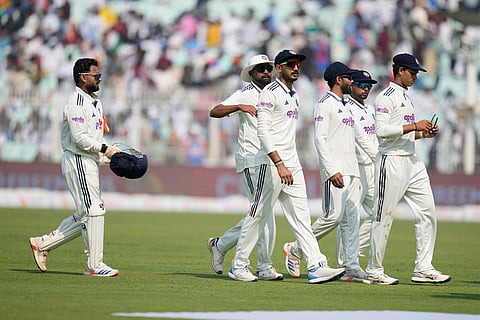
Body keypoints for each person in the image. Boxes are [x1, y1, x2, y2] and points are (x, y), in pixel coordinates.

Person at [229, 49, 345, 283]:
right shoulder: (269, 93)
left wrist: (289, 163)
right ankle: (239, 265)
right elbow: (263, 131)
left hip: (292, 163)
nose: (296, 67)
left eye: (298, 64)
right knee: (258, 213)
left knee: (301, 217)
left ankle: (316, 265)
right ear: (279, 68)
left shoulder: (294, 95)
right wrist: (279, 162)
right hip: (271, 163)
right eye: (290, 64)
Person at [282, 62, 376, 283]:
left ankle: (351, 266)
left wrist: (378, 158)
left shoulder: (345, 105)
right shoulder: (324, 103)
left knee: (351, 220)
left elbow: (360, 136)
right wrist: (332, 169)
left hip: (353, 169)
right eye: (347, 78)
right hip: (335, 170)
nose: (351, 81)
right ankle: (296, 248)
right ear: (337, 79)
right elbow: (320, 139)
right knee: (332, 217)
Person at [29, 58, 122, 277]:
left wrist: (109, 156)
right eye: (95, 75)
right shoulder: (76, 103)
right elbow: (79, 139)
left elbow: (92, 138)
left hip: (88, 160)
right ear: (83, 77)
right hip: (77, 159)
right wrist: (105, 149)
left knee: (84, 213)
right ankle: (95, 265)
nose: (99, 79)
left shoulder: (94, 102)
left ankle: (42, 244)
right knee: (94, 210)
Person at [365, 53, 451, 285]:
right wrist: (414, 125)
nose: (415, 76)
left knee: (428, 212)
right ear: (400, 70)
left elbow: (404, 133)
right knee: (383, 217)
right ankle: (374, 270)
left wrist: (423, 133)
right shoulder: (385, 97)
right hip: (391, 160)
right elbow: (381, 131)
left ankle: (423, 268)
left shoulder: (406, 97)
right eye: (412, 72)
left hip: (412, 161)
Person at [207, 54, 283, 281]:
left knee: (263, 213)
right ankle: (256, 264)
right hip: (250, 159)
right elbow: (215, 110)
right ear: (251, 73)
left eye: (268, 69)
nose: (266, 73)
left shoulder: (274, 92)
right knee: (261, 212)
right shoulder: (245, 93)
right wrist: (239, 106)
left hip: (269, 158)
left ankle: (223, 246)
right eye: (261, 69)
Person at [336, 69, 379, 265]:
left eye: (369, 85)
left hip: (370, 167)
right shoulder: (347, 107)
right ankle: (345, 260)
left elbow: (375, 137)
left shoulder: (369, 109)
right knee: (347, 217)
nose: (366, 89)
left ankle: (351, 253)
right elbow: (359, 139)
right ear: (351, 85)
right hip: (354, 168)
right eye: (361, 85)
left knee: (378, 213)